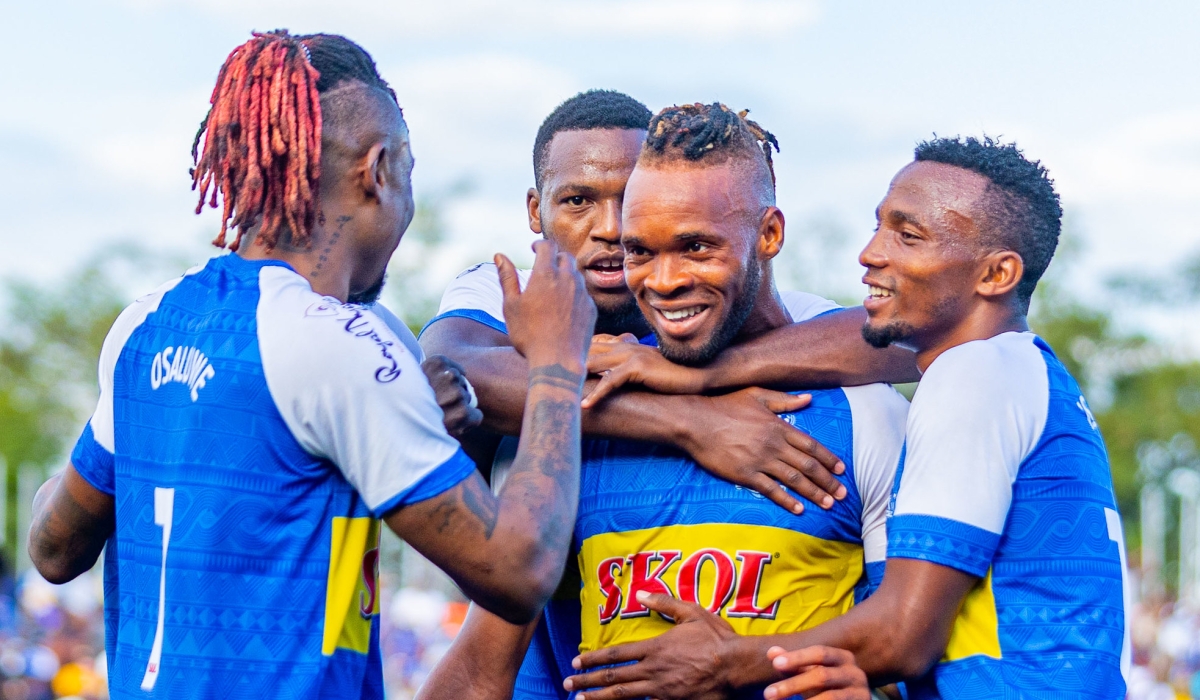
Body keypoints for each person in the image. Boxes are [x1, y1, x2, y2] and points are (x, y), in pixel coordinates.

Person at [26, 31, 597, 700]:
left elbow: (53, 547)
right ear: (378, 169)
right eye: (409, 173)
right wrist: (558, 362)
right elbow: (519, 569)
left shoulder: (145, 326)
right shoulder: (343, 342)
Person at [566, 136, 1130, 700]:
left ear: (997, 274)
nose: (871, 253)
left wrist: (725, 661)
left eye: (908, 236)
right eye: (880, 226)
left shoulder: (974, 373)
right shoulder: (1017, 372)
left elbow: (902, 635)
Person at [419, 102, 912, 700]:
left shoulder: (857, 407)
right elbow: (451, 369)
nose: (662, 274)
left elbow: (909, 339)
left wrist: (692, 375)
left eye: (695, 245)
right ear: (536, 211)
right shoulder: (543, 407)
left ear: (769, 234)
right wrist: (692, 420)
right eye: (639, 247)